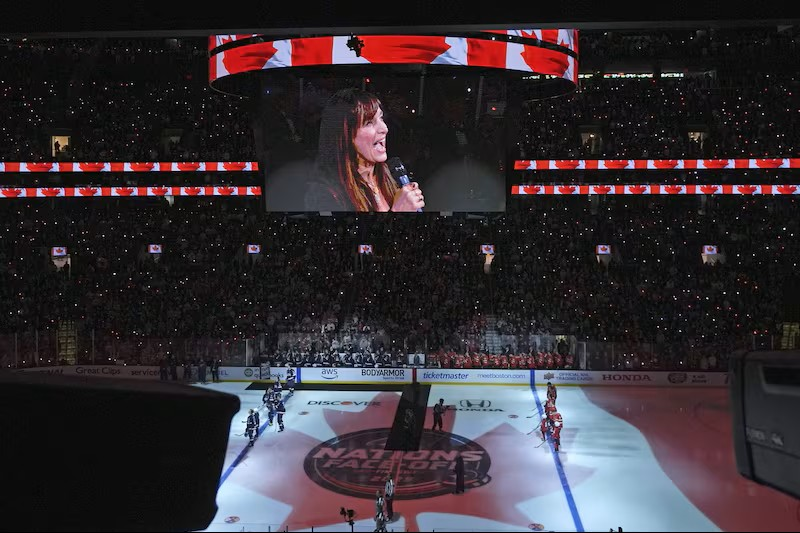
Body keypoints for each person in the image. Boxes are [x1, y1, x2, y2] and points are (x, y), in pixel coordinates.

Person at [304, 87, 425, 212]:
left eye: (381, 118)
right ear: (345, 135)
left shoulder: (392, 176)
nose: (384, 129)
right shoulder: (325, 195)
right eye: (369, 123)